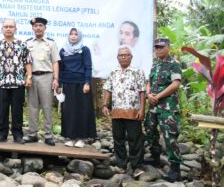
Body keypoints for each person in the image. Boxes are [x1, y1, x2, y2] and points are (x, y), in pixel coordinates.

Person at [102, 45, 146, 178]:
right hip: (117, 111)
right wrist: (105, 105)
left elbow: (142, 91)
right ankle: (121, 165)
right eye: (121, 55)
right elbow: (108, 89)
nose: (123, 57)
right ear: (117, 58)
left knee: (135, 139)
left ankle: (136, 166)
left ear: (131, 57)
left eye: (126, 55)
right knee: (118, 139)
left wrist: (142, 109)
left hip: (133, 111)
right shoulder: (113, 72)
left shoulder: (137, 71)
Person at [144, 38, 183, 182]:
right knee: (150, 129)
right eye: (156, 47)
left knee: (169, 136)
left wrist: (158, 96)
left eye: (161, 47)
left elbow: (175, 84)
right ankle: (155, 157)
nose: (158, 49)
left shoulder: (174, 64)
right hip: (154, 106)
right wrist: (148, 94)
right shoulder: (155, 65)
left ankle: (175, 169)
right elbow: (149, 81)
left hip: (168, 107)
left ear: (168, 48)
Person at [0, 18, 32, 144]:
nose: (8, 29)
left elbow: (28, 61)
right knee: (1, 110)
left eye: (11, 26)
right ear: (2, 29)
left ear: (15, 29)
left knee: (17, 110)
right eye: (6, 26)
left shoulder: (22, 44)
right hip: (1, 83)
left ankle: (17, 135)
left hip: (18, 82)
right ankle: (2, 134)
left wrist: (29, 76)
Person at [24, 17, 60, 146]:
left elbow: (55, 62)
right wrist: (27, 77)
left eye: (40, 25)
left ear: (45, 28)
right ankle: (32, 133)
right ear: (32, 28)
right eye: (36, 26)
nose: (38, 28)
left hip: (47, 76)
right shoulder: (27, 43)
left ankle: (48, 135)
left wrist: (56, 79)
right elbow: (25, 62)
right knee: (32, 107)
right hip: (31, 77)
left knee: (47, 106)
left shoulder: (51, 43)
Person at [58, 28, 96, 147]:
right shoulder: (63, 51)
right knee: (69, 111)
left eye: (76, 34)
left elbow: (88, 66)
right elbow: (61, 69)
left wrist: (87, 82)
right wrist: (59, 84)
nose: (73, 36)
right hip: (68, 85)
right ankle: (70, 137)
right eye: (71, 34)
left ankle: (81, 138)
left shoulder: (85, 50)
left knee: (82, 111)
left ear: (79, 36)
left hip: (81, 85)